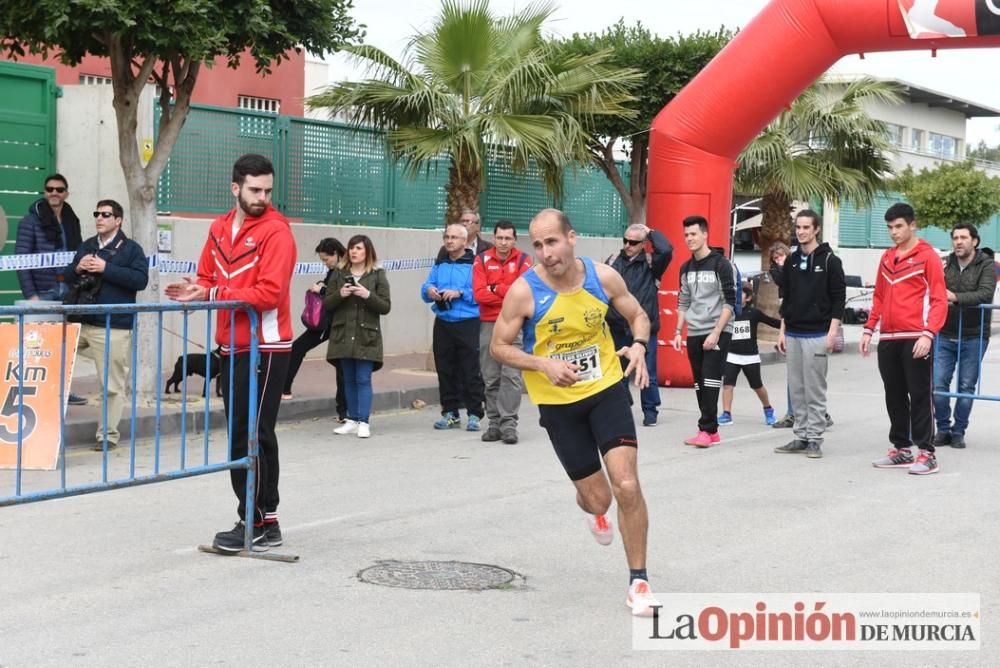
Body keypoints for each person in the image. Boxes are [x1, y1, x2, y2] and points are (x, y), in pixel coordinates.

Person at [490, 208, 659, 617]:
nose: (546, 252)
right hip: (558, 405)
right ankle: (592, 509)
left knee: (627, 484)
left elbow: (638, 314)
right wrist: (543, 364)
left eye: (552, 241)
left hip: (605, 389)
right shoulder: (524, 292)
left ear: (571, 237)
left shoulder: (603, 278)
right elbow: (500, 346)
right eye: (538, 245)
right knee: (599, 499)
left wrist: (638, 345)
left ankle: (639, 581)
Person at [166, 153, 297, 551]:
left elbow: (270, 294)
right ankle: (265, 521)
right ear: (235, 187)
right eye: (255, 190)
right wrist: (197, 289)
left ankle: (253, 522)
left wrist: (212, 293)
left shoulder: (277, 232)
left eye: (268, 190)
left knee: (251, 434)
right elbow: (206, 275)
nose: (262, 197)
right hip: (232, 346)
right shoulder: (220, 227)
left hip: (268, 346)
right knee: (249, 433)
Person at [863, 203, 947, 476]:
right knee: (894, 395)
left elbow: (938, 299)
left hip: (916, 336)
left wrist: (928, 333)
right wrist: (868, 329)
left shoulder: (928, 256)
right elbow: (879, 297)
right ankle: (901, 449)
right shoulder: (887, 258)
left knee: (920, 395)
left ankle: (927, 453)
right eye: (889, 227)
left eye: (898, 226)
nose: (893, 232)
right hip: (888, 337)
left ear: (912, 225)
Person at [65, 199, 149, 451]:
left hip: (112, 325)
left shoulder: (131, 249)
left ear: (118, 220)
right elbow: (68, 277)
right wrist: (77, 267)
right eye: (97, 214)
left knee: (111, 385)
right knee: (53, 363)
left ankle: (107, 436)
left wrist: (106, 268)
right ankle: (45, 429)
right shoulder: (87, 245)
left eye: (105, 214)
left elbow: (140, 280)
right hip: (81, 320)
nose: (99, 218)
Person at [773, 210, 846, 459]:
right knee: (797, 388)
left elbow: (839, 300)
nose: (801, 231)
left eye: (806, 227)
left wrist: (832, 333)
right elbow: (787, 298)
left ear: (816, 230)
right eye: (798, 227)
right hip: (793, 333)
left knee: (814, 389)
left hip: (817, 333)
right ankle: (800, 436)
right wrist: (782, 332)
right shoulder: (792, 261)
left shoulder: (830, 261)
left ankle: (815, 438)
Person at [17, 173, 87, 405]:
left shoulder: (71, 219)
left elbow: (79, 254)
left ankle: (64, 390)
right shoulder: (31, 221)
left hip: (68, 290)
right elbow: (21, 260)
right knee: (37, 345)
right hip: (43, 290)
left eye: (59, 189)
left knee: (64, 344)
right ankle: (36, 391)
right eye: (49, 189)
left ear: (66, 193)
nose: (54, 193)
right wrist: (31, 296)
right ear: (45, 192)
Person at [670, 215, 735, 448]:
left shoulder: (721, 264)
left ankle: (705, 429)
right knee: (698, 382)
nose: (689, 238)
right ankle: (712, 431)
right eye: (686, 234)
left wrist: (717, 332)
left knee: (710, 379)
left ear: (705, 234)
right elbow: (683, 301)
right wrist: (678, 331)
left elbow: (730, 302)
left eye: (694, 234)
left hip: (718, 329)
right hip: (695, 331)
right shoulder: (685, 268)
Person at [932, 223, 997, 449]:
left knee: (966, 386)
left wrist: (955, 297)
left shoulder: (987, 265)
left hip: (974, 334)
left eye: (963, 238)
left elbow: (986, 293)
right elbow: (934, 289)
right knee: (938, 383)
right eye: (955, 238)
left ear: (975, 242)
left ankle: (958, 431)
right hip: (945, 331)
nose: (958, 242)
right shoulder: (945, 263)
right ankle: (942, 428)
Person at [606, 223, 673, 426]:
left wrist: (651, 231)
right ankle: (622, 408)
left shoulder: (652, 263)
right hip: (617, 327)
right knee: (618, 373)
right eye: (625, 240)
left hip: (645, 329)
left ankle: (650, 411)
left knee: (648, 373)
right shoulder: (613, 260)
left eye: (634, 242)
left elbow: (667, 249)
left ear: (644, 244)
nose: (628, 245)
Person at [471, 220, 531, 443]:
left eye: (508, 238)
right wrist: (507, 293)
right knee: (491, 375)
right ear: (494, 238)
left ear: (514, 240)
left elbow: (523, 293)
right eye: (500, 238)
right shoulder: (481, 260)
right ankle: (494, 424)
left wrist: (494, 288)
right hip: (488, 323)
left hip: (514, 323)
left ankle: (509, 425)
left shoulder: (525, 260)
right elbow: (479, 294)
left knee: (512, 375)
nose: (503, 242)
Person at [326, 235, 391, 439]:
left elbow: (385, 306)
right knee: (348, 379)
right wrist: (340, 294)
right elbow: (327, 303)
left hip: (366, 334)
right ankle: (351, 420)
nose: (354, 252)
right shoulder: (338, 274)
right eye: (351, 248)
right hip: (343, 333)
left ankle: (363, 421)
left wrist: (367, 295)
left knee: (363, 378)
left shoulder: (377, 275)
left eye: (359, 248)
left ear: (367, 252)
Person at [422, 223, 486, 431]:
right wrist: (430, 290)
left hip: (468, 323)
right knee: (445, 369)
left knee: (470, 370)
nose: (449, 241)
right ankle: (449, 413)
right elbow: (425, 288)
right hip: (443, 322)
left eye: (454, 238)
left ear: (464, 241)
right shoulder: (440, 264)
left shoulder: (476, 264)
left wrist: (460, 293)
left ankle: (475, 413)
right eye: (446, 237)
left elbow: (481, 294)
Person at [282, 238, 348, 424]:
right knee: (338, 363)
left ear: (336, 253)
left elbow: (338, 296)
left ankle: (344, 411)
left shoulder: (344, 271)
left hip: (332, 323)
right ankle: (344, 411)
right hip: (329, 322)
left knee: (339, 364)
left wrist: (321, 290)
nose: (325, 263)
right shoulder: (335, 270)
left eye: (327, 259)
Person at [719, 284, 780, 426]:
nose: (737, 296)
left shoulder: (754, 313)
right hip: (732, 355)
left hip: (750, 356)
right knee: (728, 385)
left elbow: (773, 322)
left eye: (741, 294)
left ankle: (768, 409)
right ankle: (726, 414)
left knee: (757, 385)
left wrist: (789, 323)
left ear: (749, 298)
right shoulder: (728, 313)